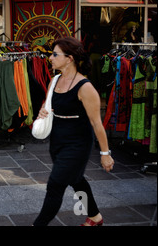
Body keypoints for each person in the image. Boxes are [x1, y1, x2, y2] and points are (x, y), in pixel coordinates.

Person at [33, 37, 115, 226]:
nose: (50, 58)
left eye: (54, 55)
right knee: (76, 179)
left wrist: (105, 154)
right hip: (57, 141)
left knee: (55, 185)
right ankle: (95, 217)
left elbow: (96, 123)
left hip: (78, 144)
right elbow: (49, 106)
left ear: (69, 58)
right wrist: (43, 111)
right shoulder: (55, 80)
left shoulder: (85, 87)